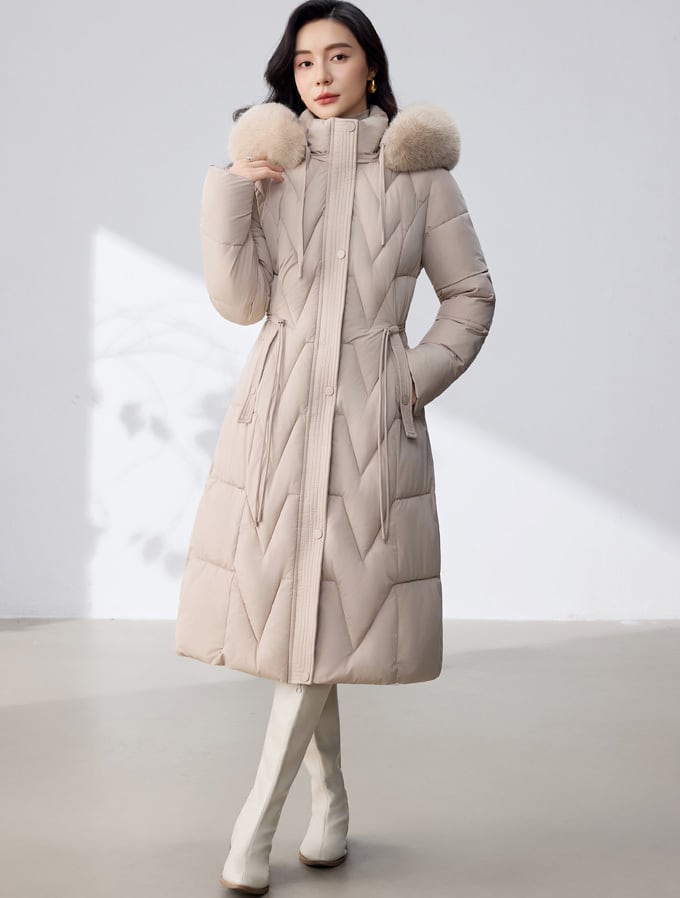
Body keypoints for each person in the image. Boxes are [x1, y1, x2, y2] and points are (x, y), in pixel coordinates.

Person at [175, 1, 496, 893]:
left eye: (339, 55)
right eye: (305, 60)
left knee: (325, 621)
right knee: (301, 625)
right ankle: (333, 803)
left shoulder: (420, 178)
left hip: (369, 426)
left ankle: (255, 825)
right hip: (277, 419)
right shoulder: (273, 169)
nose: (320, 74)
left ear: (371, 68)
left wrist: (406, 380)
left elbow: (470, 296)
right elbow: (240, 303)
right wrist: (233, 190)